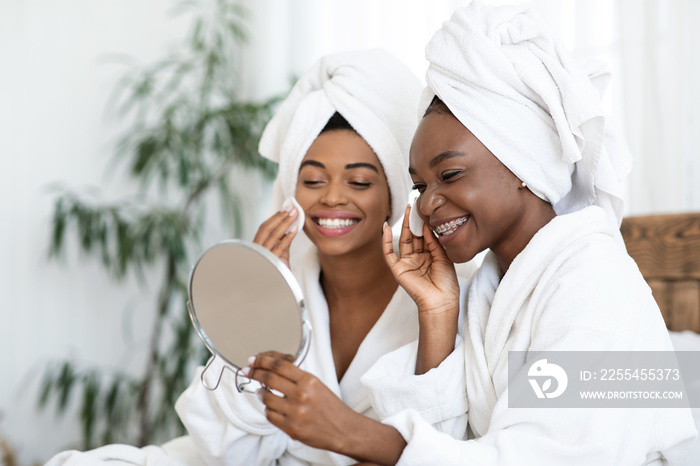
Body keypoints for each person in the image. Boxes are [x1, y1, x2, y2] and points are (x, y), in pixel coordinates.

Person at [243, 2, 698, 465]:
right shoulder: (493, 286)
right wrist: (438, 315)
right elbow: (450, 445)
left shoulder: (594, 284)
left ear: (523, 160)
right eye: (420, 185)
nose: (425, 202)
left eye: (451, 174)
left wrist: (350, 433)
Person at [174, 48, 425, 466]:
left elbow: (443, 440)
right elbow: (224, 445)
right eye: (312, 179)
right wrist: (263, 301)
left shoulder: (435, 298)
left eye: (359, 181)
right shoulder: (292, 284)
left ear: (393, 197)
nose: (331, 197)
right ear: (293, 190)